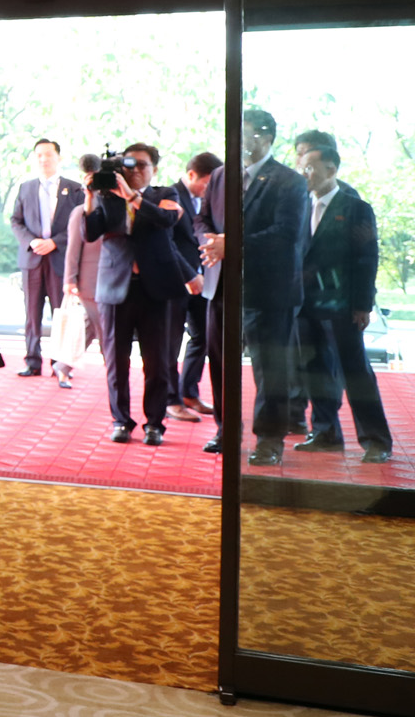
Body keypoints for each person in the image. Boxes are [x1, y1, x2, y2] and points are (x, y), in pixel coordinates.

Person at [204, 109, 308, 464]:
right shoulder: (220, 176)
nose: (238, 141)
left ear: (266, 138)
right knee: (220, 363)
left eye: (245, 134)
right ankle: (225, 429)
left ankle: (269, 441)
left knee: (270, 369)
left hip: (268, 290)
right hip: (220, 287)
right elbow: (202, 218)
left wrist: (231, 243)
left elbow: (285, 234)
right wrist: (210, 240)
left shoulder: (289, 181)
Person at [83, 144, 202, 446]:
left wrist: (132, 197)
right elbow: (90, 232)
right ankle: (121, 421)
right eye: (129, 163)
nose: (135, 169)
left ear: (155, 169)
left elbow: (165, 220)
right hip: (114, 287)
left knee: (158, 362)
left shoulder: (165, 195)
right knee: (115, 361)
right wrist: (89, 195)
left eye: (143, 164)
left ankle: (155, 424)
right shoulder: (107, 194)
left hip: (157, 289)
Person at [295, 145, 392, 463]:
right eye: (301, 166)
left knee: (356, 373)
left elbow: (367, 259)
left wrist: (362, 305)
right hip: (305, 305)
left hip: (343, 304)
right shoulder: (299, 205)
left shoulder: (355, 208)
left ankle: (376, 440)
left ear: (331, 169)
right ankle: (325, 432)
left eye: (309, 167)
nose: (303, 173)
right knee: (315, 370)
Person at [8, 138, 84, 379]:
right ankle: (32, 361)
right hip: (32, 259)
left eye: (48, 154)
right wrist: (31, 241)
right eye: (39, 155)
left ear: (58, 158)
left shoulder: (74, 189)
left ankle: (59, 363)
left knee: (60, 313)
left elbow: (81, 223)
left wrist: (55, 242)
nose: (43, 159)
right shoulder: (26, 188)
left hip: (60, 259)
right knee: (31, 313)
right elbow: (15, 221)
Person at [169, 153, 222, 417]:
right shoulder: (169, 195)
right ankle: (171, 400)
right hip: (177, 281)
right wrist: (190, 274)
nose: (211, 189)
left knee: (202, 337)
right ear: (192, 175)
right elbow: (167, 244)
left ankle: (189, 392)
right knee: (171, 341)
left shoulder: (207, 202)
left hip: (204, 281)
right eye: (208, 183)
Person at [55, 152, 107, 388]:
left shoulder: (115, 204)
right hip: (88, 282)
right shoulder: (81, 212)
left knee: (91, 328)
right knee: (103, 329)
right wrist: (70, 279)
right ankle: (113, 371)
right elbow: (73, 248)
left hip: (111, 279)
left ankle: (62, 366)